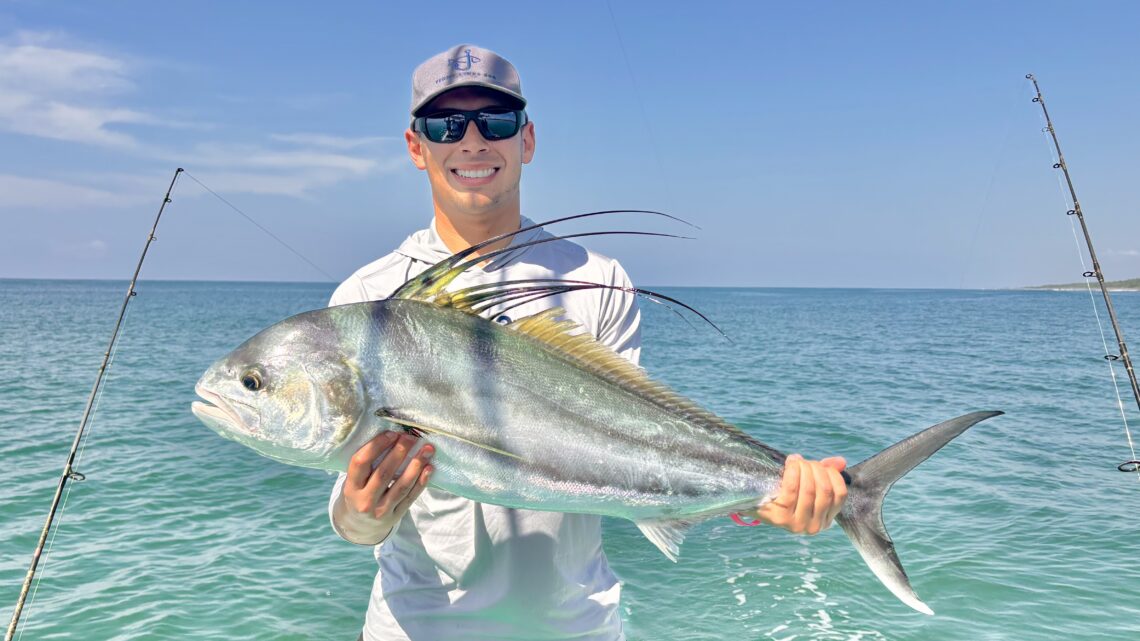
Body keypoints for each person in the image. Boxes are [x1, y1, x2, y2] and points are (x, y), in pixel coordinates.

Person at [327, 44, 848, 641]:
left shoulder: (595, 278)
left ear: (526, 141)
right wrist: (362, 513)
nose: (472, 141)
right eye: (446, 125)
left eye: (494, 121)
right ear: (417, 147)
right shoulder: (367, 298)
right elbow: (352, 521)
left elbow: (632, 442)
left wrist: (756, 496)